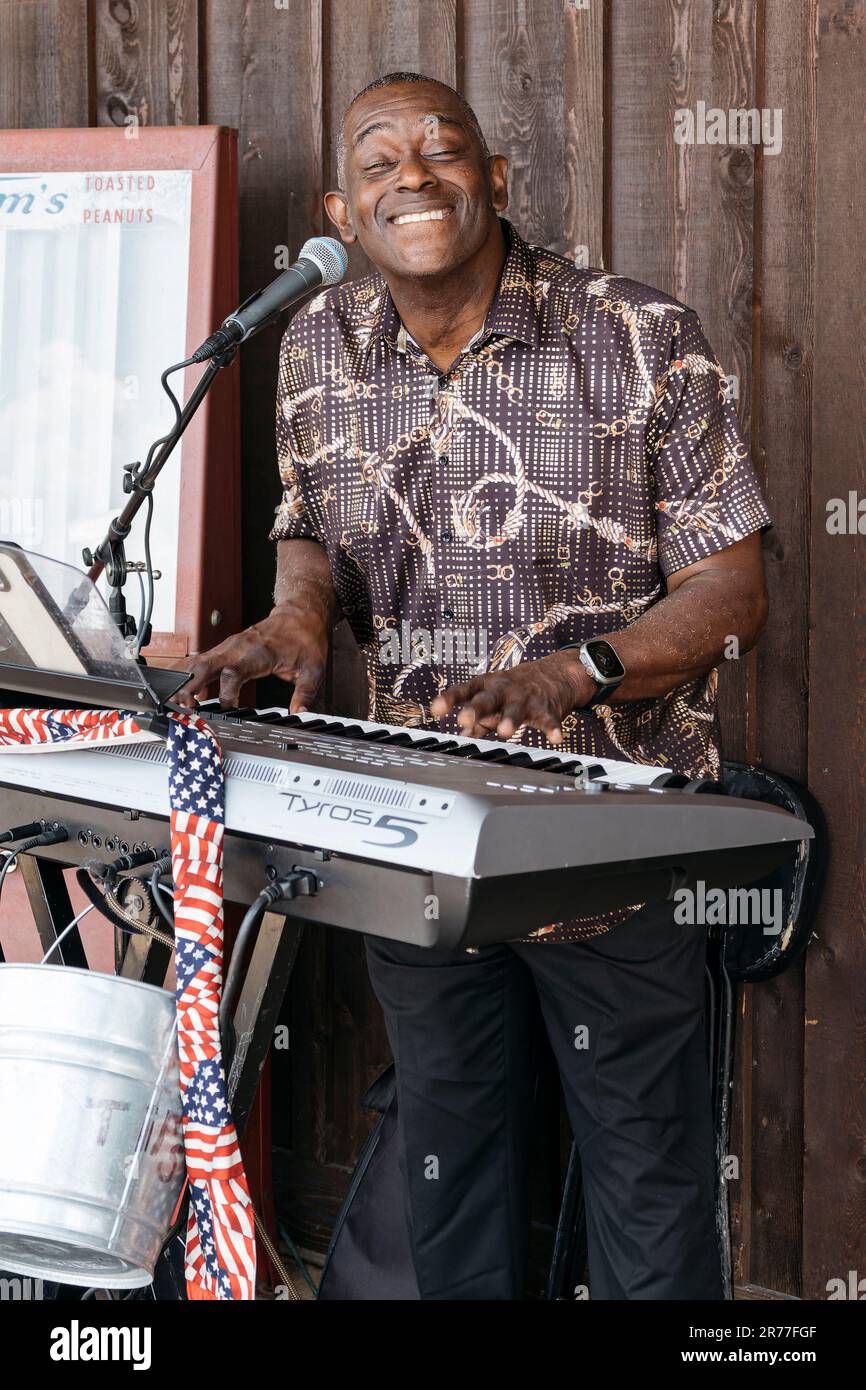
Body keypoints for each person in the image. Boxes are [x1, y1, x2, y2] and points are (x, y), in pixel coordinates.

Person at [179, 71, 772, 1299]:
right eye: (382, 159)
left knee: (645, 1175)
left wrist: (572, 674)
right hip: (418, 839)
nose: (416, 174)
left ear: (497, 181)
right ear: (345, 212)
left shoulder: (640, 336)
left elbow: (730, 592)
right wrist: (295, 616)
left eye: (444, 149)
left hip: (612, 842)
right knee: (445, 1162)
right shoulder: (313, 349)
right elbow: (310, 528)